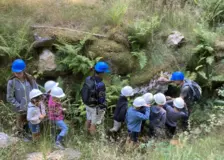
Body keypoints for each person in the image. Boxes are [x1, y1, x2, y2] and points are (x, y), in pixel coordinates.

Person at [7, 59, 38, 140]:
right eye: (15, 72)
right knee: (20, 127)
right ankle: (21, 140)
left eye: (19, 72)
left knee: (32, 124)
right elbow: (9, 97)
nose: (17, 74)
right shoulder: (12, 82)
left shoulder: (31, 79)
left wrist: (36, 102)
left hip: (31, 107)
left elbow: (36, 92)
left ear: (24, 70)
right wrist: (18, 105)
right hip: (19, 109)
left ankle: (32, 140)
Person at [81, 61, 110, 135]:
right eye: (104, 72)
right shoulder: (101, 84)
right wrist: (103, 106)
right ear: (102, 73)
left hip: (87, 104)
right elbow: (101, 99)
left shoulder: (88, 78)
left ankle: (84, 134)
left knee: (88, 119)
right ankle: (92, 139)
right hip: (95, 107)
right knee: (93, 124)